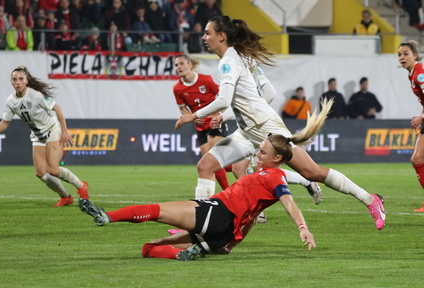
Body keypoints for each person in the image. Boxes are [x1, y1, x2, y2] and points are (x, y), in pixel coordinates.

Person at [175, 15, 386, 230]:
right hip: (247, 132)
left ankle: (371, 200)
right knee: (206, 165)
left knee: (312, 172)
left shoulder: (229, 62)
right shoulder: (235, 57)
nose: (203, 37)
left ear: (221, 36)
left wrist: (193, 115)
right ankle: (197, 225)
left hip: (267, 129)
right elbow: (255, 96)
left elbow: (223, 100)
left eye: (208, 33)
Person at [79, 104, 332, 259]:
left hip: (216, 212)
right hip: (223, 233)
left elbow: (289, 204)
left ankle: (107, 216)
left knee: (157, 211)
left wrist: (302, 227)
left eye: (262, 152)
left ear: (277, 158)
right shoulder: (262, 177)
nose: (257, 153)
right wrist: (231, 244)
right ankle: (190, 251)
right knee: (149, 248)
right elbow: (252, 216)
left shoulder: (275, 176)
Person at [0, 66, 89, 207]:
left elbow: (58, 109)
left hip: (52, 131)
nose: (17, 82)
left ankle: (81, 185)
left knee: (53, 170)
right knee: (40, 172)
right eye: (14, 79)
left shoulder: (36, 96)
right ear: (11, 82)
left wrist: (64, 130)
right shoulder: (11, 101)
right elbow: (5, 122)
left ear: (26, 81)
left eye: (20, 79)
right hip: (37, 136)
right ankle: (65, 197)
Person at [173, 54, 230, 192]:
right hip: (200, 127)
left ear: (190, 65)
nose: (178, 67)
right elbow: (182, 108)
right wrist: (192, 117)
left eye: (181, 64)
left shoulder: (206, 80)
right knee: (210, 163)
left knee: (214, 156)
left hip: (215, 122)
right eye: (176, 65)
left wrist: (220, 115)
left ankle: (227, 191)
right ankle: (242, 165)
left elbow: (224, 98)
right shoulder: (177, 89)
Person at [398, 40, 424, 212]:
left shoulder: (419, 73)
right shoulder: (413, 73)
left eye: (406, 54)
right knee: (417, 159)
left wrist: (421, 117)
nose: (402, 57)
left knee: (417, 159)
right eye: (399, 54)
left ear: (415, 55)